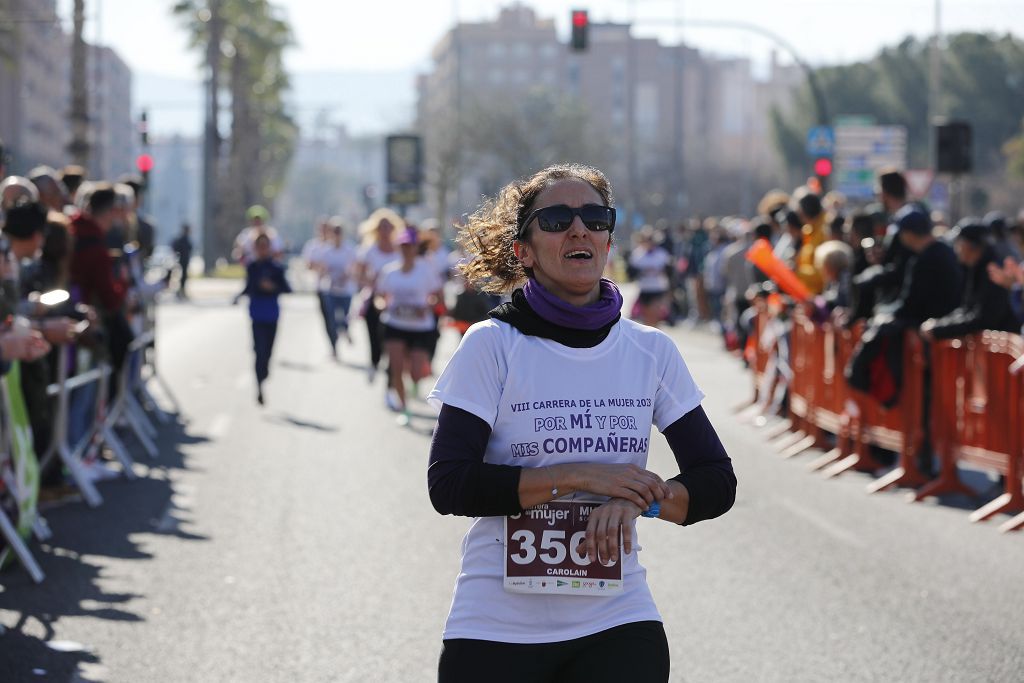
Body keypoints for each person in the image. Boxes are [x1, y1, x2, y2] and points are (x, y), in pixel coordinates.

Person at [427, 164, 736, 682]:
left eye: (595, 217)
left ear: (608, 240)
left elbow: (716, 480)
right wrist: (575, 477)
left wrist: (643, 498)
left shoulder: (649, 350)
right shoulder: (492, 345)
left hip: (616, 620)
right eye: (556, 219)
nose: (579, 229)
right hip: (496, 626)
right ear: (522, 251)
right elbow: (450, 484)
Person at [377, 227, 442, 423]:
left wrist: (427, 306)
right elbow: (380, 297)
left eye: (409, 246)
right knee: (396, 368)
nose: (406, 249)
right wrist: (383, 306)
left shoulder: (426, 269)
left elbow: (438, 297)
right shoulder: (390, 272)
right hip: (395, 325)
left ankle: (414, 383)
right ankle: (404, 409)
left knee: (415, 372)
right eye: (402, 245)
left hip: (421, 328)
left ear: (415, 247)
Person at [920, 220, 1020, 340]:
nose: (956, 248)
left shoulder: (992, 271)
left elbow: (983, 318)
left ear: (971, 245)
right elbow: (966, 309)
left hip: (1000, 351)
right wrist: (939, 324)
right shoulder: (974, 268)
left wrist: (939, 330)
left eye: (959, 243)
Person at [238, 233, 291, 404]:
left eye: (265, 246)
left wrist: (272, 287)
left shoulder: (276, 267)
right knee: (258, 350)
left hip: (272, 314)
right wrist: (238, 296)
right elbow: (248, 286)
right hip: (256, 314)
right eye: (259, 246)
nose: (262, 249)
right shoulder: (252, 266)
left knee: (267, 351)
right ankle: (259, 385)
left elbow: (286, 288)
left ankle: (264, 372)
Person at [354, 208, 402, 382]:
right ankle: (374, 361)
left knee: (391, 337)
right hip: (375, 298)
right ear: (375, 229)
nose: (385, 230)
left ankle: (392, 373)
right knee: (374, 334)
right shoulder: (369, 250)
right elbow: (358, 275)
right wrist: (369, 281)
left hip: (395, 298)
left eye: (388, 226)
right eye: (381, 227)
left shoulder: (399, 249)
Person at [316, 218, 358, 359]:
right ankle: (334, 348)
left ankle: (345, 330)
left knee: (344, 317)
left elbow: (355, 267)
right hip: (330, 290)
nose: (337, 234)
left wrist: (347, 275)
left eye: (339, 231)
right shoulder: (326, 250)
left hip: (346, 291)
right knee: (331, 320)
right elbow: (321, 268)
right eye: (335, 231)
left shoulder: (350, 248)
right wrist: (327, 273)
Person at [628, 227, 671, 326]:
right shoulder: (637, 254)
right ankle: (651, 337)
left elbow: (669, 272)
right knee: (646, 317)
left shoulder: (662, 254)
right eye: (646, 239)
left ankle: (657, 335)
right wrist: (642, 272)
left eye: (650, 239)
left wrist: (661, 271)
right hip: (644, 289)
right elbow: (631, 272)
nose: (649, 242)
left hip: (657, 288)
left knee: (655, 314)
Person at [172, 224, 194, 299]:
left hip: (185, 259)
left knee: (184, 276)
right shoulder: (182, 239)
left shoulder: (185, 238)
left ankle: (181, 290)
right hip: (183, 260)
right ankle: (180, 291)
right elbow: (177, 248)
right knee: (182, 277)